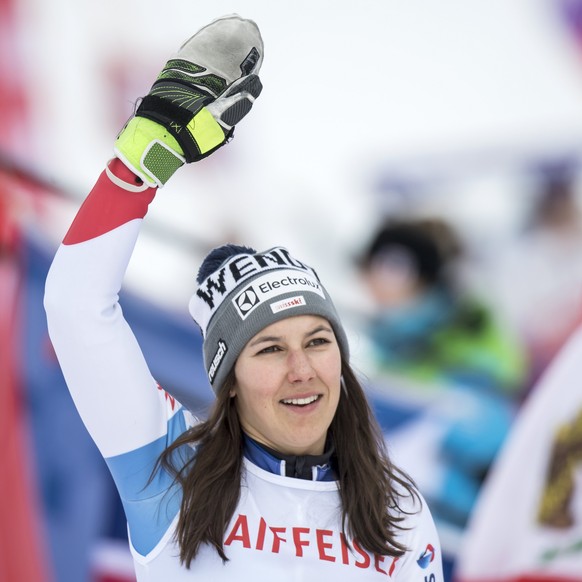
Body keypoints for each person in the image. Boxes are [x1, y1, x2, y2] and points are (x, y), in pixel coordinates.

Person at [43, 15, 443, 581]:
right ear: (228, 381)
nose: (302, 369)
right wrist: (141, 162)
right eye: (269, 350)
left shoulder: (397, 511)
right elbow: (75, 307)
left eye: (317, 340)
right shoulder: (175, 471)